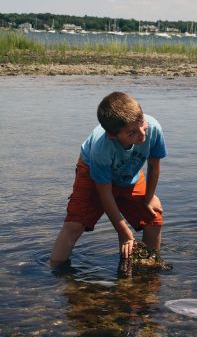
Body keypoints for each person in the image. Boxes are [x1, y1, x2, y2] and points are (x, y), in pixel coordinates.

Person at [50, 91, 167, 267]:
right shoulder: (101, 148)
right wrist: (123, 230)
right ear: (113, 135)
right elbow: (105, 194)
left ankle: (146, 272)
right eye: (132, 133)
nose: (142, 134)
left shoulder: (153, 128)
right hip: (92, 174)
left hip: (128, 172)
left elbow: (153, 165)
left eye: (142, 124)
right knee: (75, 224)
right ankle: (55, 272)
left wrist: (149, 197)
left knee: (153, 217)